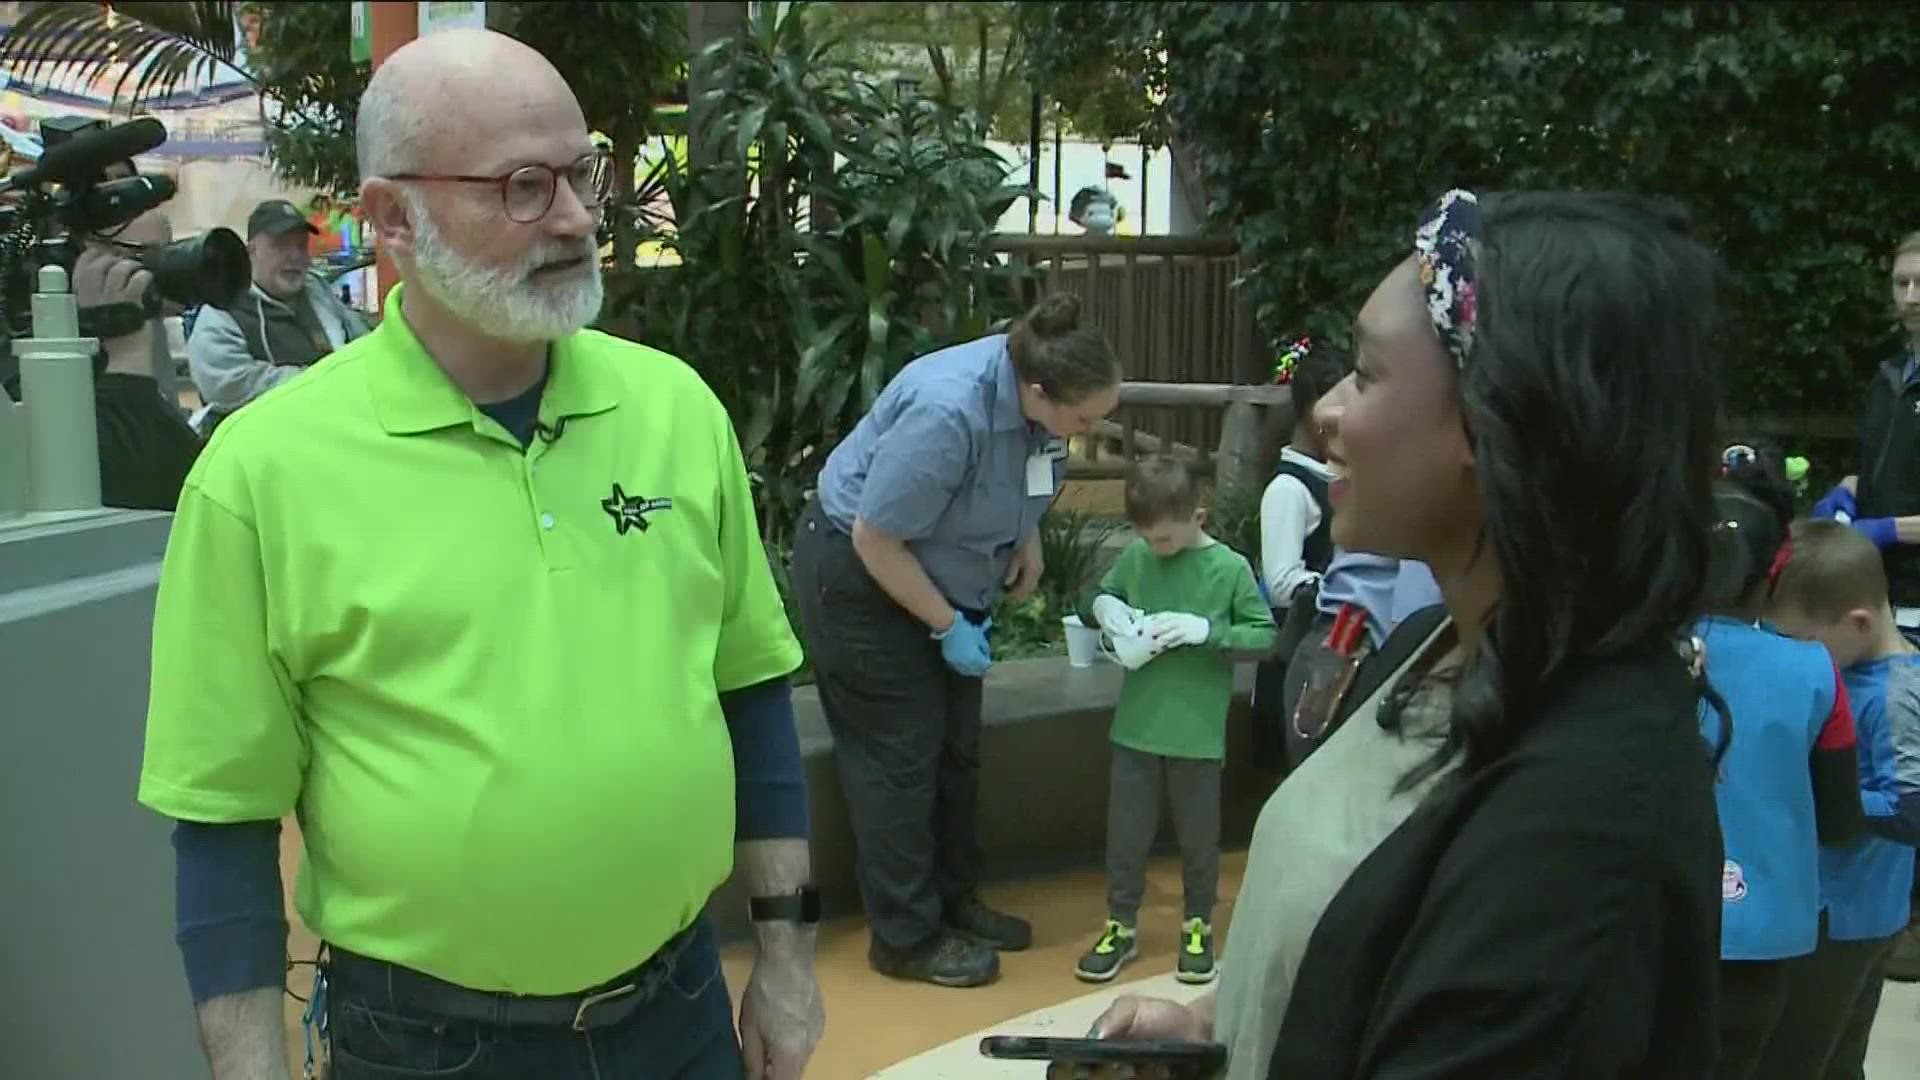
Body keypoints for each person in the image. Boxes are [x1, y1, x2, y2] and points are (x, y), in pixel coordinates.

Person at [139, 30, 822, 1080]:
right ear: (390, 218)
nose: (578, 218)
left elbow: (753, 698)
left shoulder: (674, 411)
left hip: (681, 1011)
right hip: (429, 1047)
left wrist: (787, 955)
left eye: (579, 174)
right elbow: (222, 823)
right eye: (522, 186)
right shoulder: (262, 475)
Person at [1076, 189, 1727, 1078]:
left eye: (1368, 374)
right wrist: (1211, 1026)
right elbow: (1349, 958)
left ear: (1498, 417)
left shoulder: (1582, 824)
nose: (1328, 415)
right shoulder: (1427, 645)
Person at [789, 292, 1121, 988]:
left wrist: (1022, 532)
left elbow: (1028, 469)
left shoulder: (1039, 407)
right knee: (898, 758)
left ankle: (953, 898)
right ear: (1037, 390)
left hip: (942, 577)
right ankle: (904, 935)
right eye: (1084, 417)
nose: (1092, 429)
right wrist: (946, 625)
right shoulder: (949, 411)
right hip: (861, 577)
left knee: (956, 751)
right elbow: (876, 537)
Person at [1693, 447, 1864, 1077]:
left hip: (1649, 929)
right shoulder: (1816, 671)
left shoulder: (1629, 655)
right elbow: (1841, 821)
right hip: (1762, 941)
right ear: (1779, 566)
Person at [1077, 457, 1276, 986]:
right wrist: (1106, 612)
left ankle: (1197, 924)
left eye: (1165, 538)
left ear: (1198, 517)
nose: (1155, 548)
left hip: (1196, 733)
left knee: (1198, 839)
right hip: (1136, 728)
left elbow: (1265, 635)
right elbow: (1102, 596)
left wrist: (1207, 631)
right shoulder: (1140, 557)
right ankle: (1120, 924)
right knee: (1125, 836)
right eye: (1146, 537)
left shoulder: (1229, 569)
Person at [1765, 519, 1920, 1077]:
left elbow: (1911, 810)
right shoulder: (1858, 670)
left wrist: (1820, 792)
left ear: (1857, 621)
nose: (1799, 655)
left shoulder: (1897, 695)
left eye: (1806, 641)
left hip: (1848, 916)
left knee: (1797, 1057)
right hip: (1854, 909)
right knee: (1836, 1058)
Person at [1814, 229, 1920, 982]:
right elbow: (1875, 469)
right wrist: (1847, 501)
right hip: (1877, 599)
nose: (1910, 298)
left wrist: (1883, 529)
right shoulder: (1890, 379)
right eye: (1901, 283)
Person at [186, 197, 370, 435]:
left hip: (335, 430)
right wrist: (321, 382)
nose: (295, 256)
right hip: (260, 445)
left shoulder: (317, 291)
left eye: (301, 246)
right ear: (251, 251)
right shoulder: (223, 306)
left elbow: (361, 342)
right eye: (281, 245)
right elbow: (226, 385)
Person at [1249, 337, 1346, 772]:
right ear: (1314, 412)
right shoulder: (1289, 489)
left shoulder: (1336, 477)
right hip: (1296, 655)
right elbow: (1282, 581)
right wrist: (1341, 585)